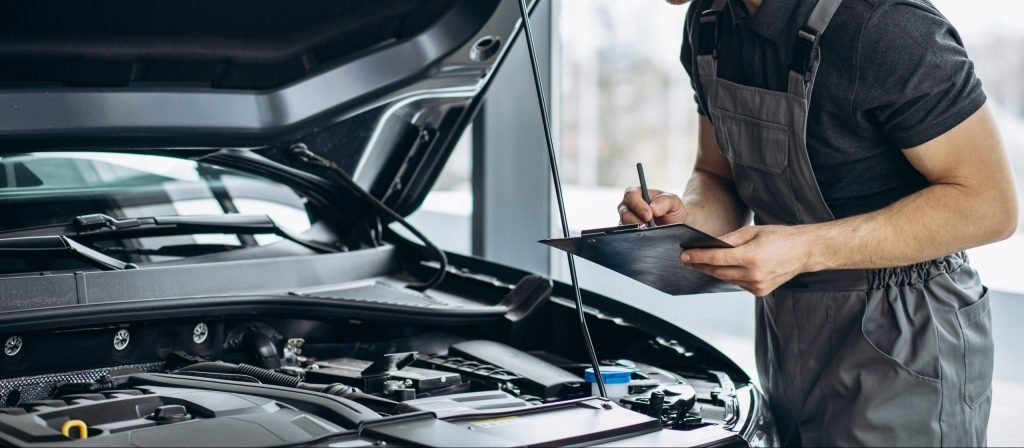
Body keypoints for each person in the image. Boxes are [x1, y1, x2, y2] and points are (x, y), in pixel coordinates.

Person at [618, 0, 1017, 445]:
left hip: (906, 341)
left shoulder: (888, 26)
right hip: (787, 336)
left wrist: (805, 249)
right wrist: (685, 218)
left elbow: (989, 206)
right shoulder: (709, 23)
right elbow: (716, 174)